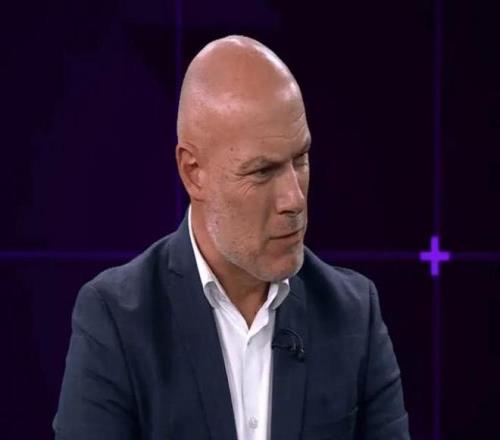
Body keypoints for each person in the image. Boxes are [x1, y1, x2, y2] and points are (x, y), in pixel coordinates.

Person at [53, 35, 410, 440]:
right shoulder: (116, 319)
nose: (294, 199)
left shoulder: (354, 314)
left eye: (300, 159)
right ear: (193, 172)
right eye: (262, 172)